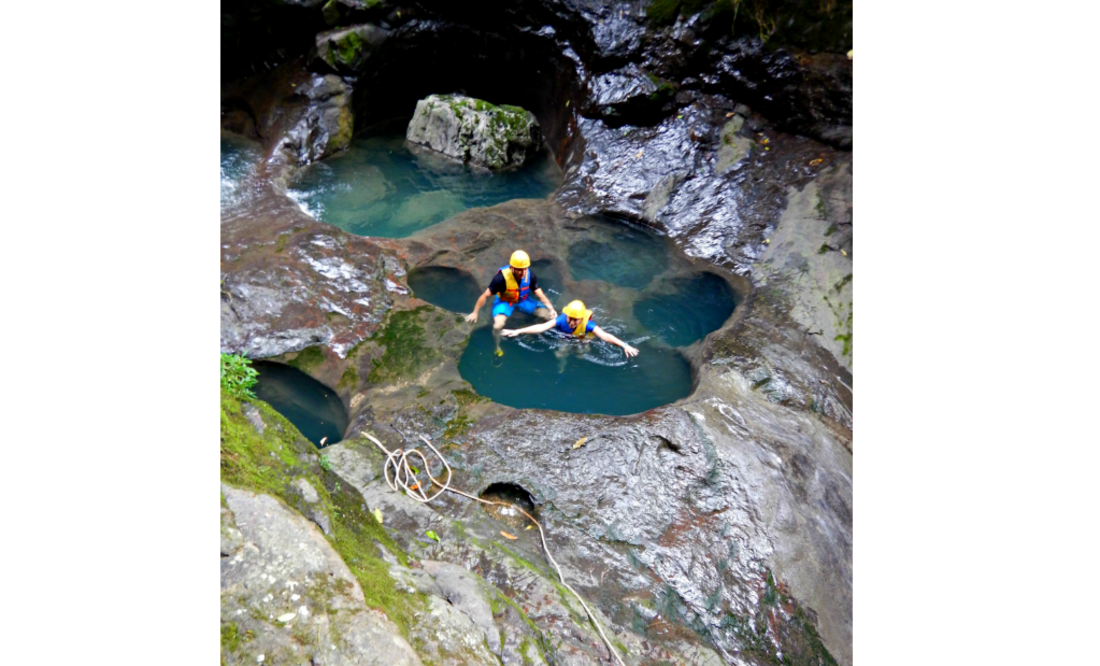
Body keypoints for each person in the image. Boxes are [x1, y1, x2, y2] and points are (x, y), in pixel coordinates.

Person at [465, 250, 557, 355]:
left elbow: (540, 295)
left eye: (524, 269)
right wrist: (475, 312)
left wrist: (551, 309)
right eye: (519, 270)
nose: (522, 273)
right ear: (512, 268)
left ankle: (532, 328)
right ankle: (497, 346)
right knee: (497, 326)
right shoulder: (501, 278)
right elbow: (485, 295)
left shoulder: (530, 275)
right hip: (505, 301)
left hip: (523, 300)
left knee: (549, 316)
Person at [502, 300, 639, 361]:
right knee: (559, 355)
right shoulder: (562, 319)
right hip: (564, 336)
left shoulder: (588, 324)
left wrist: (625, 345)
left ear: (581, 318)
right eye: (570, 318)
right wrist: (518, 331)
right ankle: (562, 366)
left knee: (581, 355)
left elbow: (605, 336)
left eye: (576, 320)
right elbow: (541, 327)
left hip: (582, 338)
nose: (572, 322)